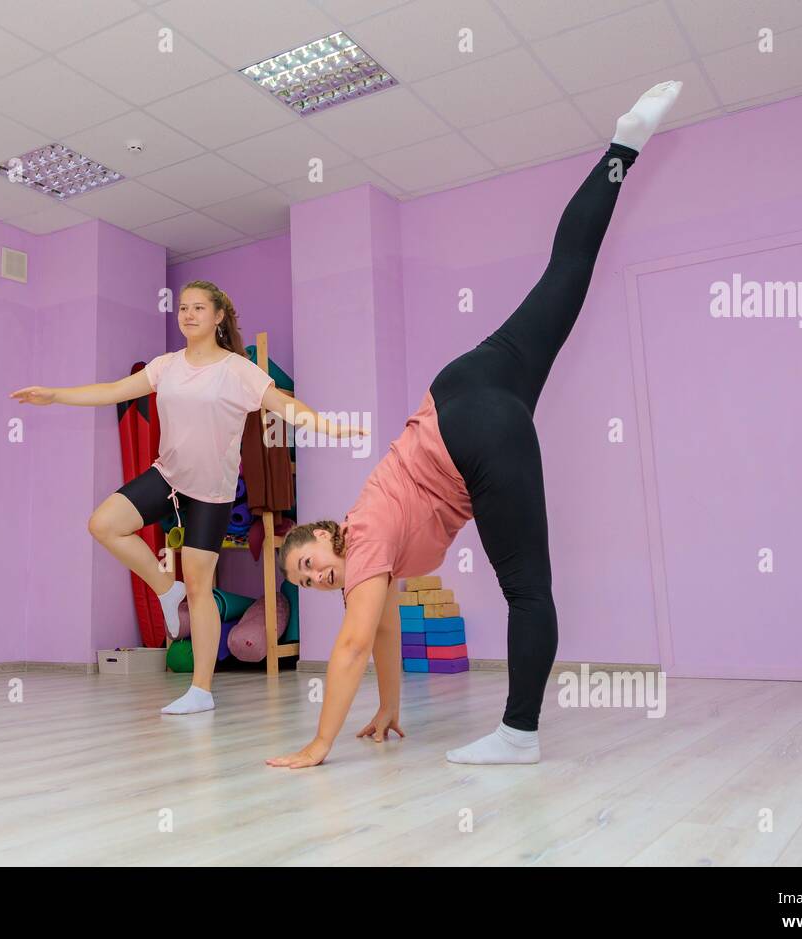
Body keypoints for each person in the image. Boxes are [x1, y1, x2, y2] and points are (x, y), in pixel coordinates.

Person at [268, 82, 683, 767]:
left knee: (527, 591)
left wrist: (318, 745)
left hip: (472, 435)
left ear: (325, 533)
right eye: (307, 582)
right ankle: (623, 148)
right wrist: (391, 707)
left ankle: (518, 737)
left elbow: (348, 645)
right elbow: (379, 638)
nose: (314, 580)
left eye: (309, 564)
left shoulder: (365, 538)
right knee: (567, 274)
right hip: (466, 383)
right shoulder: (375, 545)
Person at [12, 280, 357, 715]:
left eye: (198, 308)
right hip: (168, 477)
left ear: (217, 317)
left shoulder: (237, 369)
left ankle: (201, 690)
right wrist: (56, 395)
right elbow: (114, 390)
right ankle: (164, 588)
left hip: (211, 494)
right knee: (103, 523)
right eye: (182, 308)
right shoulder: (166, 366)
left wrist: (327, 425)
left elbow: (282, 405)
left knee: (200, 587)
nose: (188, 315)